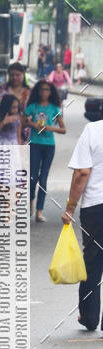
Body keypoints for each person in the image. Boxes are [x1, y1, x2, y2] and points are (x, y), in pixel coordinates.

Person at [62, 115, 103, 330]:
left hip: (96, 207)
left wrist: (70, 207)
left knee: (94, 262)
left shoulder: (93, 131)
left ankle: (89, 317)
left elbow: (82, 173)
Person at [25, 80, 66, 222]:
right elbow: (23, 121)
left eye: (47, 90)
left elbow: (63, 129)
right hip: (35, 144)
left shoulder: (54, 109)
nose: (44, 92)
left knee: (43, 178)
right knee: (33, 177)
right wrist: (32, 123)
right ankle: (30, 204)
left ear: (51, 92)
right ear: (38, 91)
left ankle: (39, 211)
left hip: (49, 145)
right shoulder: (32, 107)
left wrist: (50, 128)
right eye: (42, 89)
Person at [0, 62, 31, 142]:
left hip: (24, 136)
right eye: (12, 75)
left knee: (21, 154)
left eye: (18, 75)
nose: (14, 77)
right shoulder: (2, 90)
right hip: (1, 136)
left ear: (23, 74)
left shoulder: (30, 93)